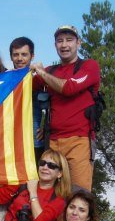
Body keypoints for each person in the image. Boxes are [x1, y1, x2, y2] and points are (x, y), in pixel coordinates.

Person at [30, 24, 101, 191]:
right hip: (52, 142)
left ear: (79, 43)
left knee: (79, 195)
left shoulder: (89, 66)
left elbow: (69, 88)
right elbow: (23, 89)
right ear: (55, 45)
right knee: (52, 195)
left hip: (79, 141)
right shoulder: (51, 71)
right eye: (59, 41)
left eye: (69, 40)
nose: (64, 45)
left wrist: (41, 73)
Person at [9, 35, 49, 157]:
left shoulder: (40, 78)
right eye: (16, 54)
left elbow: (52, 105)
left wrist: (45, 128)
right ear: (11, 56)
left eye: (24, 54)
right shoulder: (4, 80)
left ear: (32, 56)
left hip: (34, 140)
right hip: (10, 141)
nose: (19, 58)